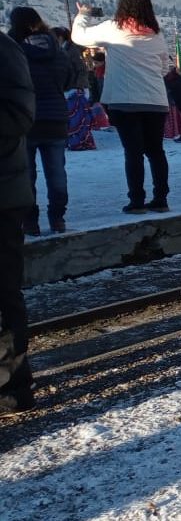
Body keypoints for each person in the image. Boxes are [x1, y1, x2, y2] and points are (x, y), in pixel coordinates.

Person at [72, 0, 171, 215]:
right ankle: (161, 198)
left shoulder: (113, 29)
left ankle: (137, 200)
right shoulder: (156, 34)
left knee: (133, 152)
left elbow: (79, 37)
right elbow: (164, 67)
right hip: (156, 101)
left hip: (124, 101)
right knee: (156, 151)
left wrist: (83, 15)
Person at [8, 7, 70, 235]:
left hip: (25, 119)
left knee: (26, 174)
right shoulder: (58, 52)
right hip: (55, 118)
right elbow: (67, 81)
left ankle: (30, 221)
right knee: (57, 173)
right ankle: (58, 218)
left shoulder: (13, 52)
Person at [0, 29, 36, 418]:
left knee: (3, 294)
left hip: (3, 195)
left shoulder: (4, 50)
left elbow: (19, 114)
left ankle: (11, 385)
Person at [53, 26, 98, 152]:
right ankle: (75, 141)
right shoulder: (63, 50)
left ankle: (80, 142)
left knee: (76, 119)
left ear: (60, 37)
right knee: (73, 118)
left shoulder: (71, 50)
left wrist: (80, 86)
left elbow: (81, 69)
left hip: (75, 89)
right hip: (69, 88)